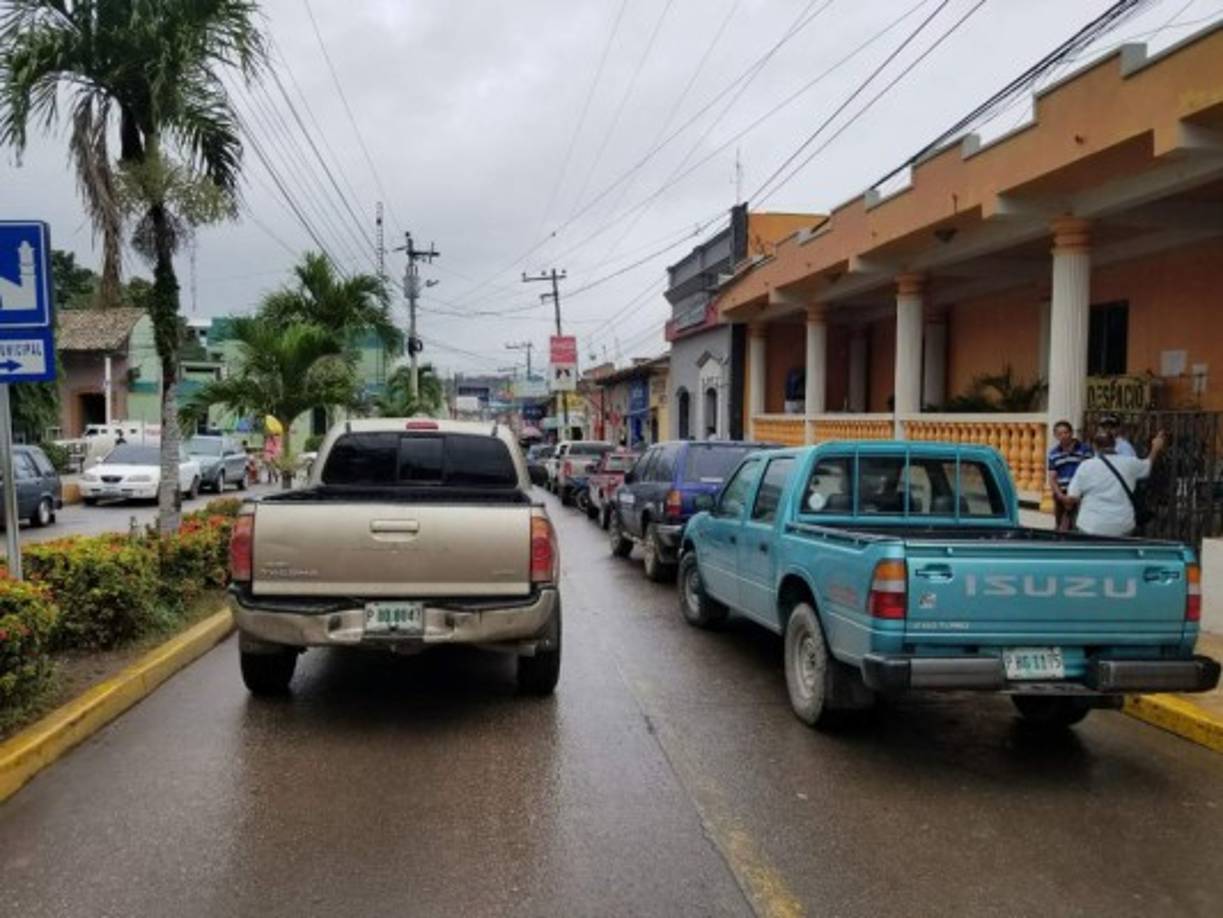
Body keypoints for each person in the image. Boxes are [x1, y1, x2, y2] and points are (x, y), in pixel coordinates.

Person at [1066, 429, 1165, 536]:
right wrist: (1155, 448)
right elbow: (1147, 466)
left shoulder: (1085, 466)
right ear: (1115, 445)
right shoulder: (1129, 463)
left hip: (1091, 524)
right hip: (1121, 525)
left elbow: (1072, 496)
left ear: (1094, 446)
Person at [1046, 420, 1091, 531]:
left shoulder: (1085, 450)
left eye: (1066, 432)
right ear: (1055, 436)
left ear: (1071, 433)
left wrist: (1076, 496)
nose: (1063, 436)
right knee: (1060, 527)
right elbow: (1052, 477)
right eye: (1059, 434)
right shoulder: (1054, 454)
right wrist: (1061, 496)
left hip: (1080, 495)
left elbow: (1089, 473)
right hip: (1061, 494)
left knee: (1078, 526)